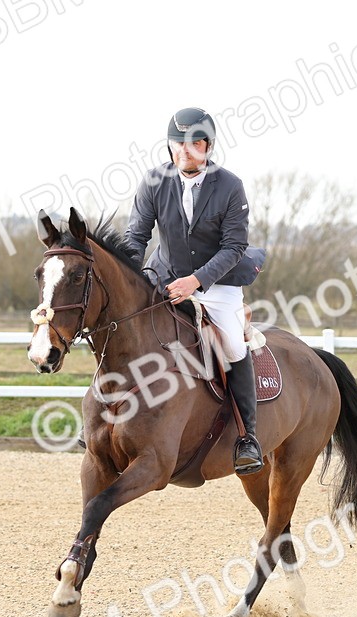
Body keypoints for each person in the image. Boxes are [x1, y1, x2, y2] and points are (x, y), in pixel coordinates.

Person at [124, 107, 263, 475]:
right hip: (166, 277)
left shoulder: (230, 186)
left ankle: (248, 436)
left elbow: (234, 247)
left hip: (218, 283)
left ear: (209, 146)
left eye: (194, 144)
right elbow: (136, 236)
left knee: (232, 342)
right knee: (129, 330)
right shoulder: (154, 181)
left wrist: (196, 281)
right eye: (178, 144)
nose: (185, 151)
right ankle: (108, 413)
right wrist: (129, 276)